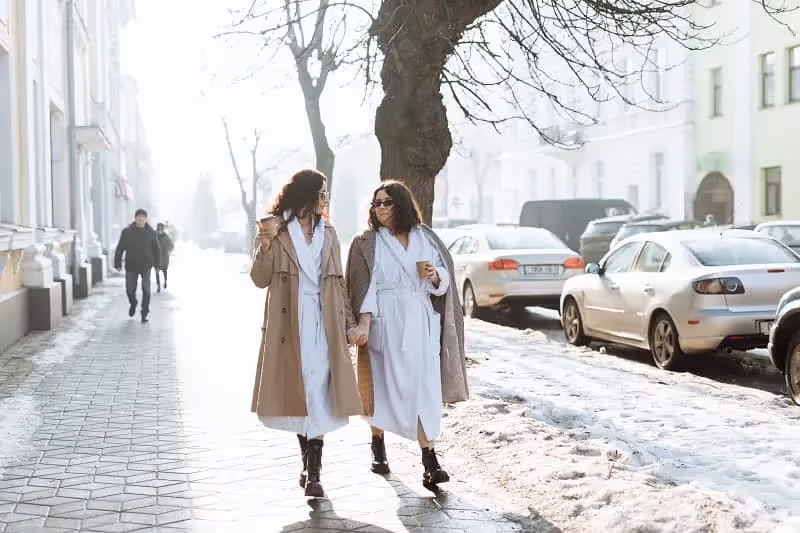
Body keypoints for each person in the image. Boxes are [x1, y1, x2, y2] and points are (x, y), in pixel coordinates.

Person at [345, 180, 468, 491]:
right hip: (386, 321)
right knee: (383, 390)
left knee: (424, 390)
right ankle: (377, 444)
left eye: (386, 202)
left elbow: (443, 277)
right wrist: (363, 324)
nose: (381, 208)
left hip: (420, 320)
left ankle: (430, 460)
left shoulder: (425, 238)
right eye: (376, 203)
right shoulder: (367, 243)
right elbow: (363, 287)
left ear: (401, 203)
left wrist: (435, 275)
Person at [249, 169, 362, 498]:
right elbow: (259, 279)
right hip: (289, 324)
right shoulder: (277, 229)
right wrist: (264, 247)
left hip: (323, 321)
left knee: (318, 393)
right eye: (322, 192)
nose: (325, 198)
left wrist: (348, 323)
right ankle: (308, 463)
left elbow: (338, 283)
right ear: (306, 194)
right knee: (301, 394)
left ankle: (314, 472)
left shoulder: (328, 232)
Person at [114, 209, 160, 323]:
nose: (141, 219)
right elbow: (120, 248)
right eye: (139, 217)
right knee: (130, 290)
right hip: (131, 266)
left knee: (146, 290)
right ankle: (133, 303)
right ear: (135, 218)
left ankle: (144, 312)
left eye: (143, 217)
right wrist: (118, 263)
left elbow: (157, 250)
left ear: (146, 219)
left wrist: (157, 265)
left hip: (146, 266)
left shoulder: (151, 232)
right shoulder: (127, 232)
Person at [155, 223, 174, 292]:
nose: (160, 230)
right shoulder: (154, 236)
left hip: (165, 257)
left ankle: (165, 281)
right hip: (157, 257)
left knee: (164, 271)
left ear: (163, 229)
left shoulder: (166, 236)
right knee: (157, 272)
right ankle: (158, 285)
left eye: (161, 228)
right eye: (158, 228)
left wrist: (168, 250)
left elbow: (171, 245)